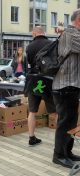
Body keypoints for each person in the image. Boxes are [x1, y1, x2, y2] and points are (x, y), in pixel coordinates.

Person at [52, 9, 80, 168]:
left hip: (71, 86)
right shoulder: (71, 34)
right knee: (65, 123)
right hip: (64, 86)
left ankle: (67, 152)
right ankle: (59, 155)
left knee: (71, 122)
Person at [26, 26, 56, 146]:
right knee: (54, 112)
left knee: (32, 111)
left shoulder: (29, 47)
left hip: (33, 80)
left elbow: (28, 65)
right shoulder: (51, 44)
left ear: (34, 33)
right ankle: (61, 140)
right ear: (43, 33)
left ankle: (31, 138)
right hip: (48, 80)